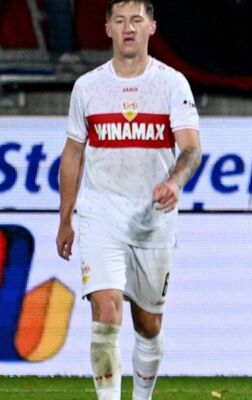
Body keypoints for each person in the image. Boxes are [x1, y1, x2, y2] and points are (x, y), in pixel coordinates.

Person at [55, 1, 201, 399]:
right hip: (100, 215)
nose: (128, 28)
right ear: (107, 29)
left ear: (152, 27)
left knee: (148, 326)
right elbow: (73, 153)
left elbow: (191, 148)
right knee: (105, 311)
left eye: (136, 20)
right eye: (119, 20)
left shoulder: (172, 84)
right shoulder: (87, 87)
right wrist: (65, 218)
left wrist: (175, 182)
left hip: (153, 220)